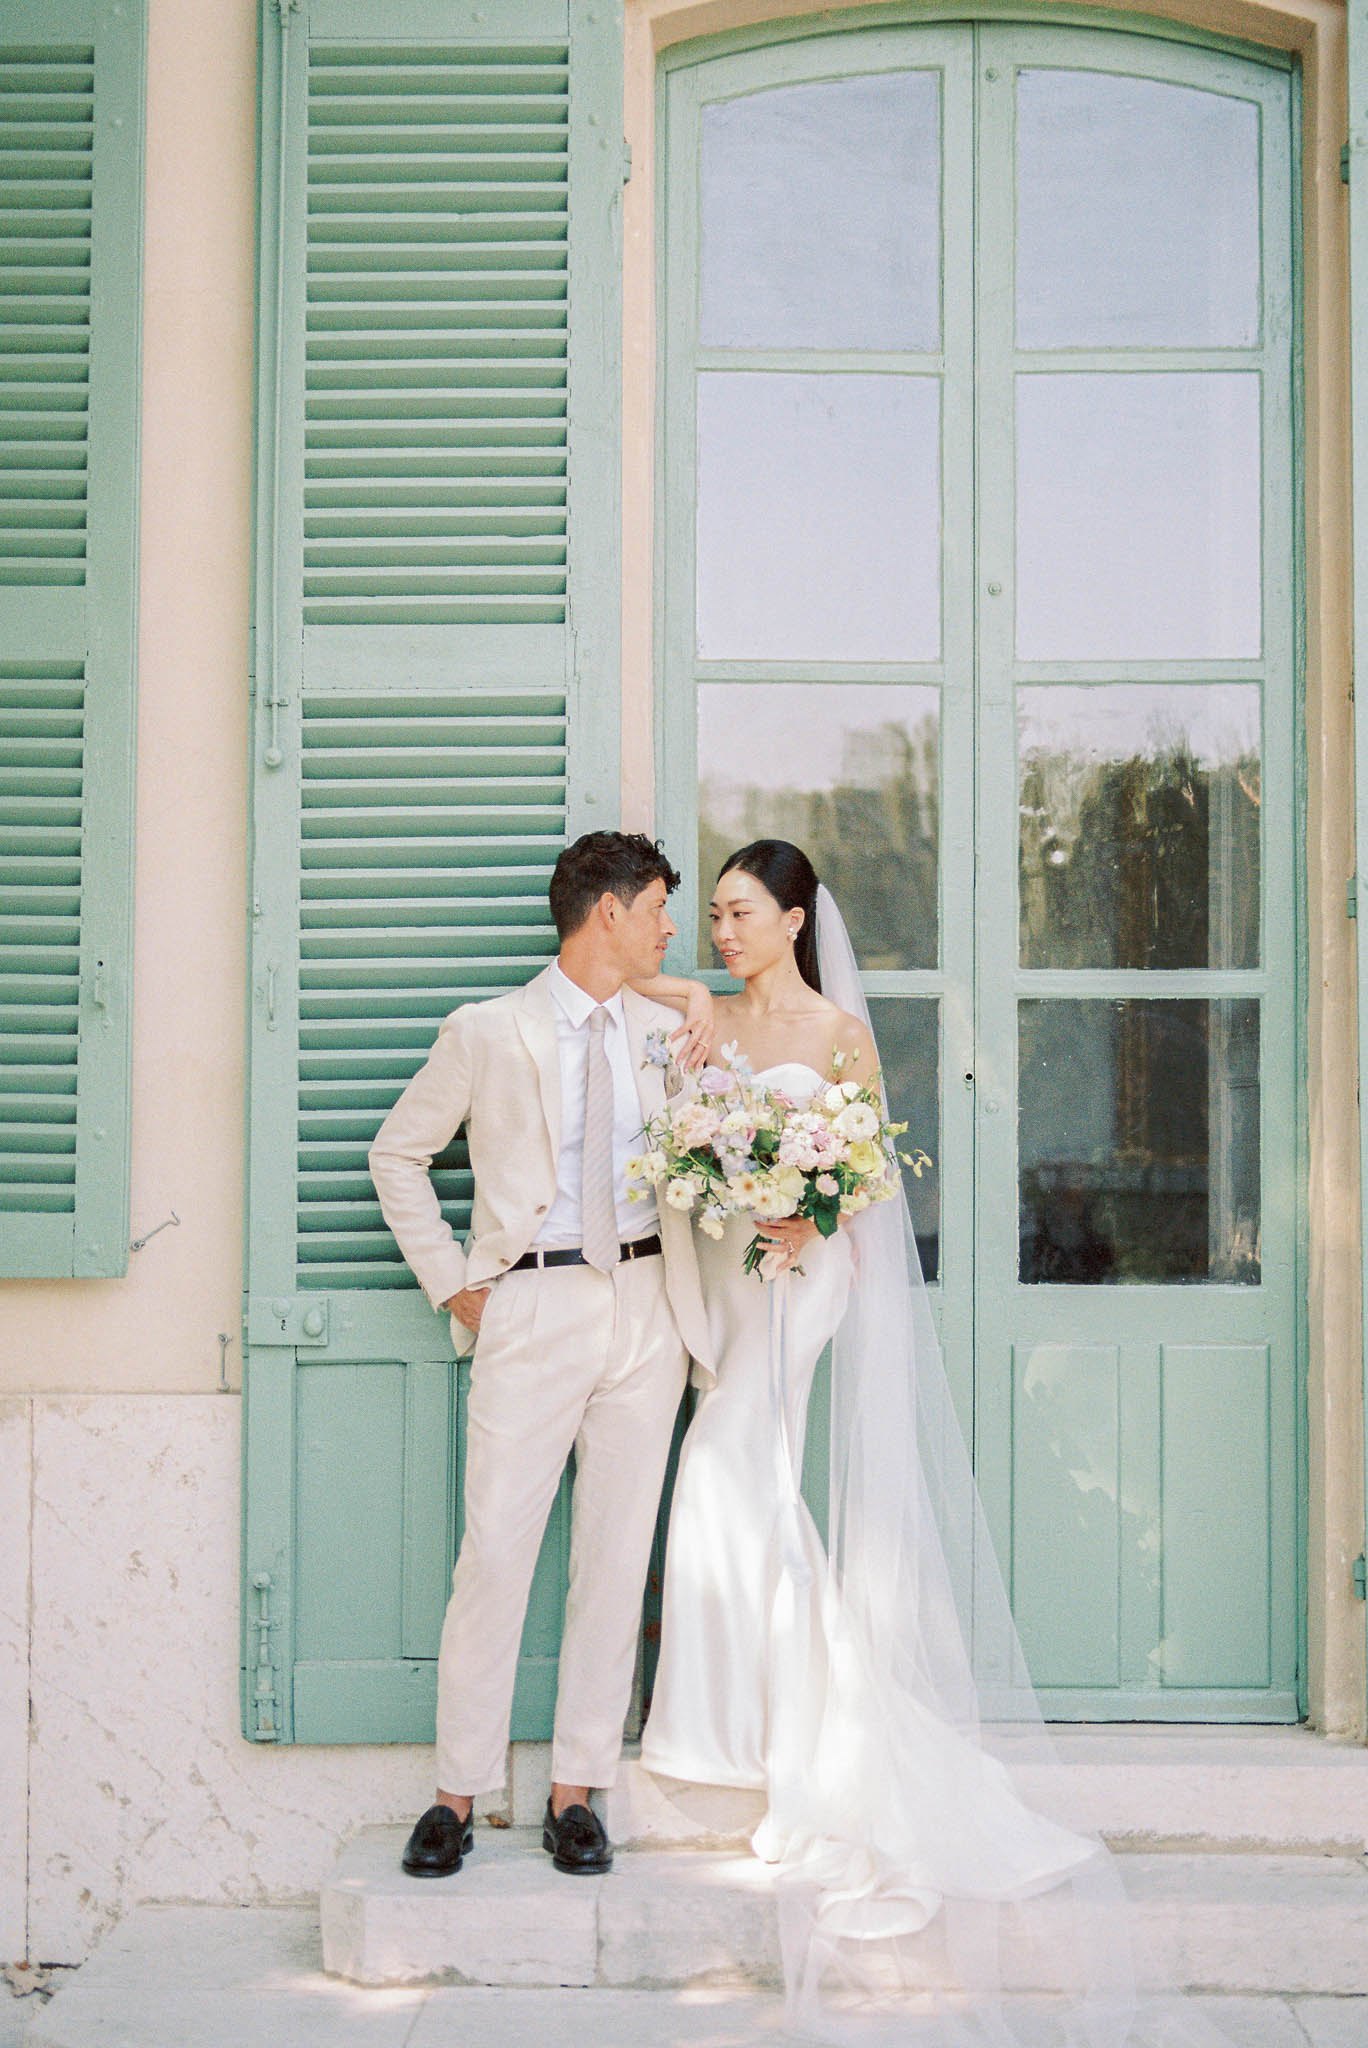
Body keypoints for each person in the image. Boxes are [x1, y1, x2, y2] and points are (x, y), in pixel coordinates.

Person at [636, 840, 1219, 2047]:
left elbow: (865, 1169)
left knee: (722, 1459)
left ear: (795, 919)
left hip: (802, 1280)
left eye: (742, 914)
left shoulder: (840, 1033)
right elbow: (628, 1005)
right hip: (735, 1271)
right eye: (720, 918)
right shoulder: (712, 1012)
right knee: (730, 1462)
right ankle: (750, 1706)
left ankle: (758, 1719)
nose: (724, 931)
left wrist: (808, 1211)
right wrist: (693, 1012)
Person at [368, 831, 714, 1882]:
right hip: (531, 1302)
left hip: (649, 1301)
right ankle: (455, 1793)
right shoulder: (488, 1029)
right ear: (606, 911)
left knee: (613, 1560)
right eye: (656, 905)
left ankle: (577, 1789)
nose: (668, 927)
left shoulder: (667, 1028)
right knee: (496, 1555)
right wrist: (455, 1281)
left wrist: (695, 1001)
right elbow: (398, 1151)